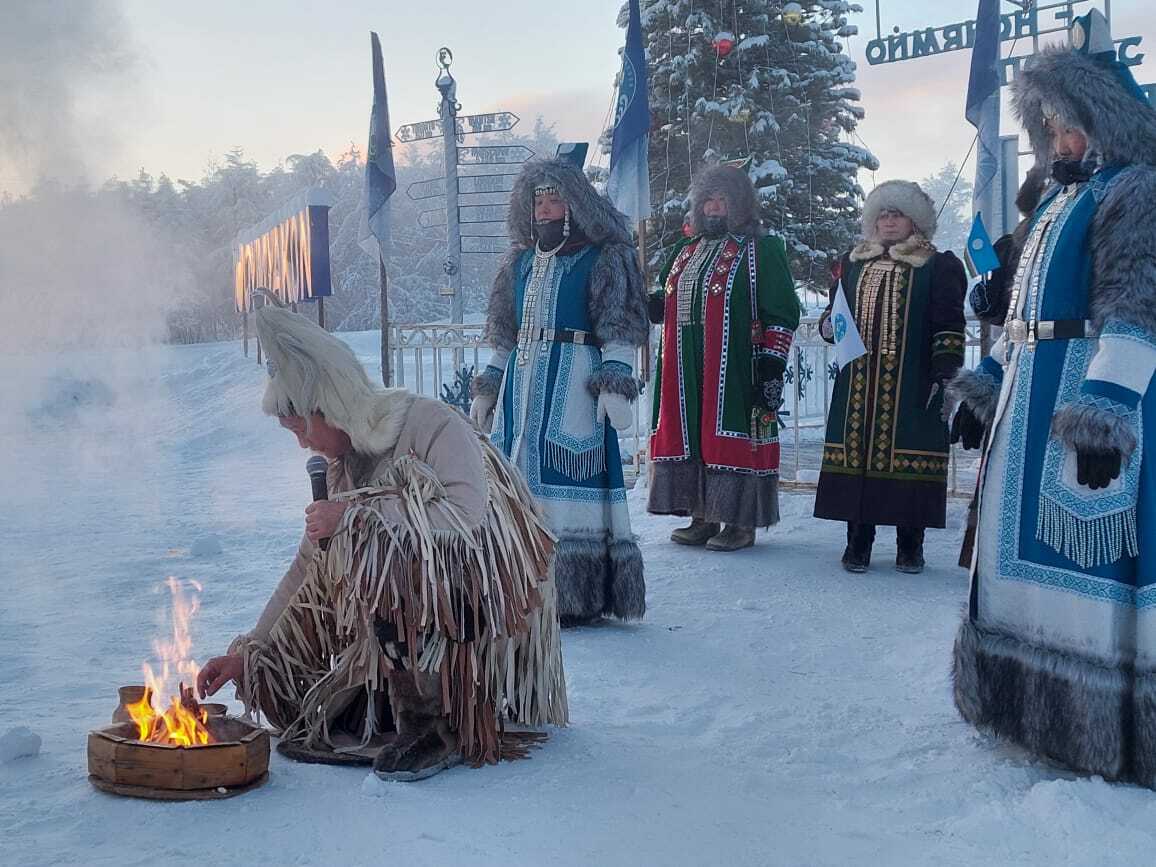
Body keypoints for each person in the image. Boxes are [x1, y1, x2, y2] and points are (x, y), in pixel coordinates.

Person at [197, 304, 567, 781]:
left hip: (485, 602)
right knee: (338, 564)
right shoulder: (340, 466)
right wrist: (250, 650)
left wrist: (354, 514)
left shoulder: (431, 422)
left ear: (326, 407)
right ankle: (389, 696)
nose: (303, 447)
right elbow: (309, 565)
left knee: (378, 541)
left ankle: (436, 723)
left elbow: (465, 515)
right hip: (415, 609)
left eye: (300, 432)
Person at [949, 11, 1156, 786]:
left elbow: (1138, 304)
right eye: (1053, 126)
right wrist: (986, 385)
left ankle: (1091, 723)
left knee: (1083, 564)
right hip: (1028, 402)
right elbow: (1022, 316)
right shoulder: (1052, 204)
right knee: (1018, 562)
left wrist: (1106, 410)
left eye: (1074, 125)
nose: (1063, 140)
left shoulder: (1136, 191)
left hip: (1083, 402)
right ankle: (1023, 702)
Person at [469, 156, 648, 626]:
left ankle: (573, 593)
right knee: (516, 483)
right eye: (539, 202)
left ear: (574, 204)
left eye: (554, 200)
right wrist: (490, 384)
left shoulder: (602, 257)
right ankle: (515, 583)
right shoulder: (521, 262)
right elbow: (504, 333)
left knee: (569, 486)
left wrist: (616, 379)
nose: (545, 210)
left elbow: (619, 325)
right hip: (521, 386)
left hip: (574, 386)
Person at [813, 180, 967, 573]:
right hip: (859, 386)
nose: (888, 221)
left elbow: (948, 325)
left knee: (908, 463)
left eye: (896, 214)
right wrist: (829, 325)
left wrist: (945, 375)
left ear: (915, 221)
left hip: (913, 384)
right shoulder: (852, 263)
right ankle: (857, 543)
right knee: (858, 460)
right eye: (881, 214)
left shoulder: (937, 265)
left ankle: (910, 546)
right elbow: (836, 314)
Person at [646, 164, 800, 551]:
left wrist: (771, 364)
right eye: (708, 201)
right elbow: (665, 301)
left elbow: (781, 311)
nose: (714, 208)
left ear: (741, 205)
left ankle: (740, 522)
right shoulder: (685, 251)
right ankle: (703, 514)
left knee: (731, 436)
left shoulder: (761, 249)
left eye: (723, 201)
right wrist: (647, 301)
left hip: (735, 367)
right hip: (684, 367)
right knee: (694, 436)